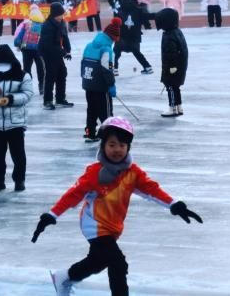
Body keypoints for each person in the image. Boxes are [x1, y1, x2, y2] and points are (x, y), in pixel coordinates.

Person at [30, 117, 203, 296]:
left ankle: (64, 277)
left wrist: (174, 205)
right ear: (103, 146)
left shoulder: (132, 173)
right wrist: (52, 215)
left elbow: (152, 190)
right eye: (112, 144)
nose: (117, 149)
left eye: (122, 145)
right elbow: (73, 195)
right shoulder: (94, 173)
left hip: (114, 226)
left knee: (98, 262)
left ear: (128, 147)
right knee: (118, 263)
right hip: (94, 225)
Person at [0, 44, 34, 192]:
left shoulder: (22, 75)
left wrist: (10, 99)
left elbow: (28, 94)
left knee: (18, 154)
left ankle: (19, 180)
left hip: (16, 122)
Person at [81, 18, 121, 140]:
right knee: (106, 112)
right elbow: (107, 69)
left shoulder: (89, 46)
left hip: (88, 84)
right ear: (113, 38)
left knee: (91, 109)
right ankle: (109, 135)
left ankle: (90, 132)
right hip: (101, 87)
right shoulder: (106, 50)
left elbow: (83, 64)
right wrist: (111, 85)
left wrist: (85, 79)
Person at [38, 2, 74, 110]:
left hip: (57, 51)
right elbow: (48, 44)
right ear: (54, 14)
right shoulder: (47, 25)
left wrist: (67, 50)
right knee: (51, 75)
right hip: (47, 52)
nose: (62, 16)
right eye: (60, 14)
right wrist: (63, 52)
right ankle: (47, 101)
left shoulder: (62, 22)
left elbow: (65, 37)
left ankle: (60, 99)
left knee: (62, 73)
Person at [155, 7, 188, 117]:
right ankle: (179, 106)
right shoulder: (176, 31)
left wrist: (172, 67)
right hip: (179, 65)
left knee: (171, 86)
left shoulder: (169, 36)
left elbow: (170, 53)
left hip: (172, 67)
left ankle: (173, 107)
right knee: (175, 87)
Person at [114, 0, 153, 76]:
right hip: (135, 37)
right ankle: (148, 67)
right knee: (137, 53)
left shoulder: (120, 11)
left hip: (122, 37)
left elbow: (115, 24)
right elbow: (149, 16)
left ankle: (114, 69)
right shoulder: (139, 11)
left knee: (115, 53)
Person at [14, 5, 45, 95]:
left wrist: (18, 44)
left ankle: (28, 87)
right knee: (40, 68)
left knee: (27, 68)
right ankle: (41, 86)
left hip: (26, 48)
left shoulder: (26, 24)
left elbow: (19, 36)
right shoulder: (43, 25)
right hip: (39, 49)